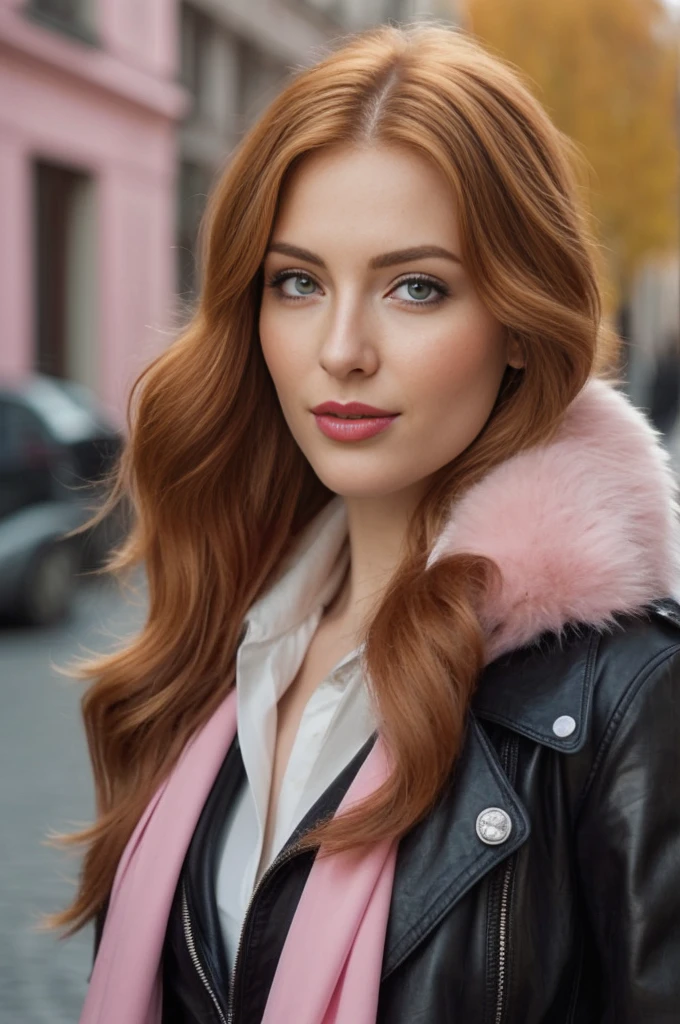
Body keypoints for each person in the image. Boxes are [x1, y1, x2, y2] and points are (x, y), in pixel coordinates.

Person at [55, 23, 680, 1024]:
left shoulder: (625, 697)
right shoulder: (222, 642)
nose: (339, 349)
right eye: (296, 281)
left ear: (517, 324)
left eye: (414, 287)